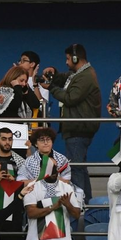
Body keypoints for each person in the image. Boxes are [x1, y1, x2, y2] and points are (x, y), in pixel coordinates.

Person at [40, 45, 101, 200]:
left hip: (78, 128)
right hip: (77, 128)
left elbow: (70, 98)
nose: (66, 62)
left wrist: (51, 88)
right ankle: (87, 202)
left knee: (75, 169)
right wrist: (54, 73)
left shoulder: (85, 76)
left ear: (75, 58)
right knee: (79, 167)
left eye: (68, 59)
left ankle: (80, 204)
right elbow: (66, 78)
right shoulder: (80, 74)